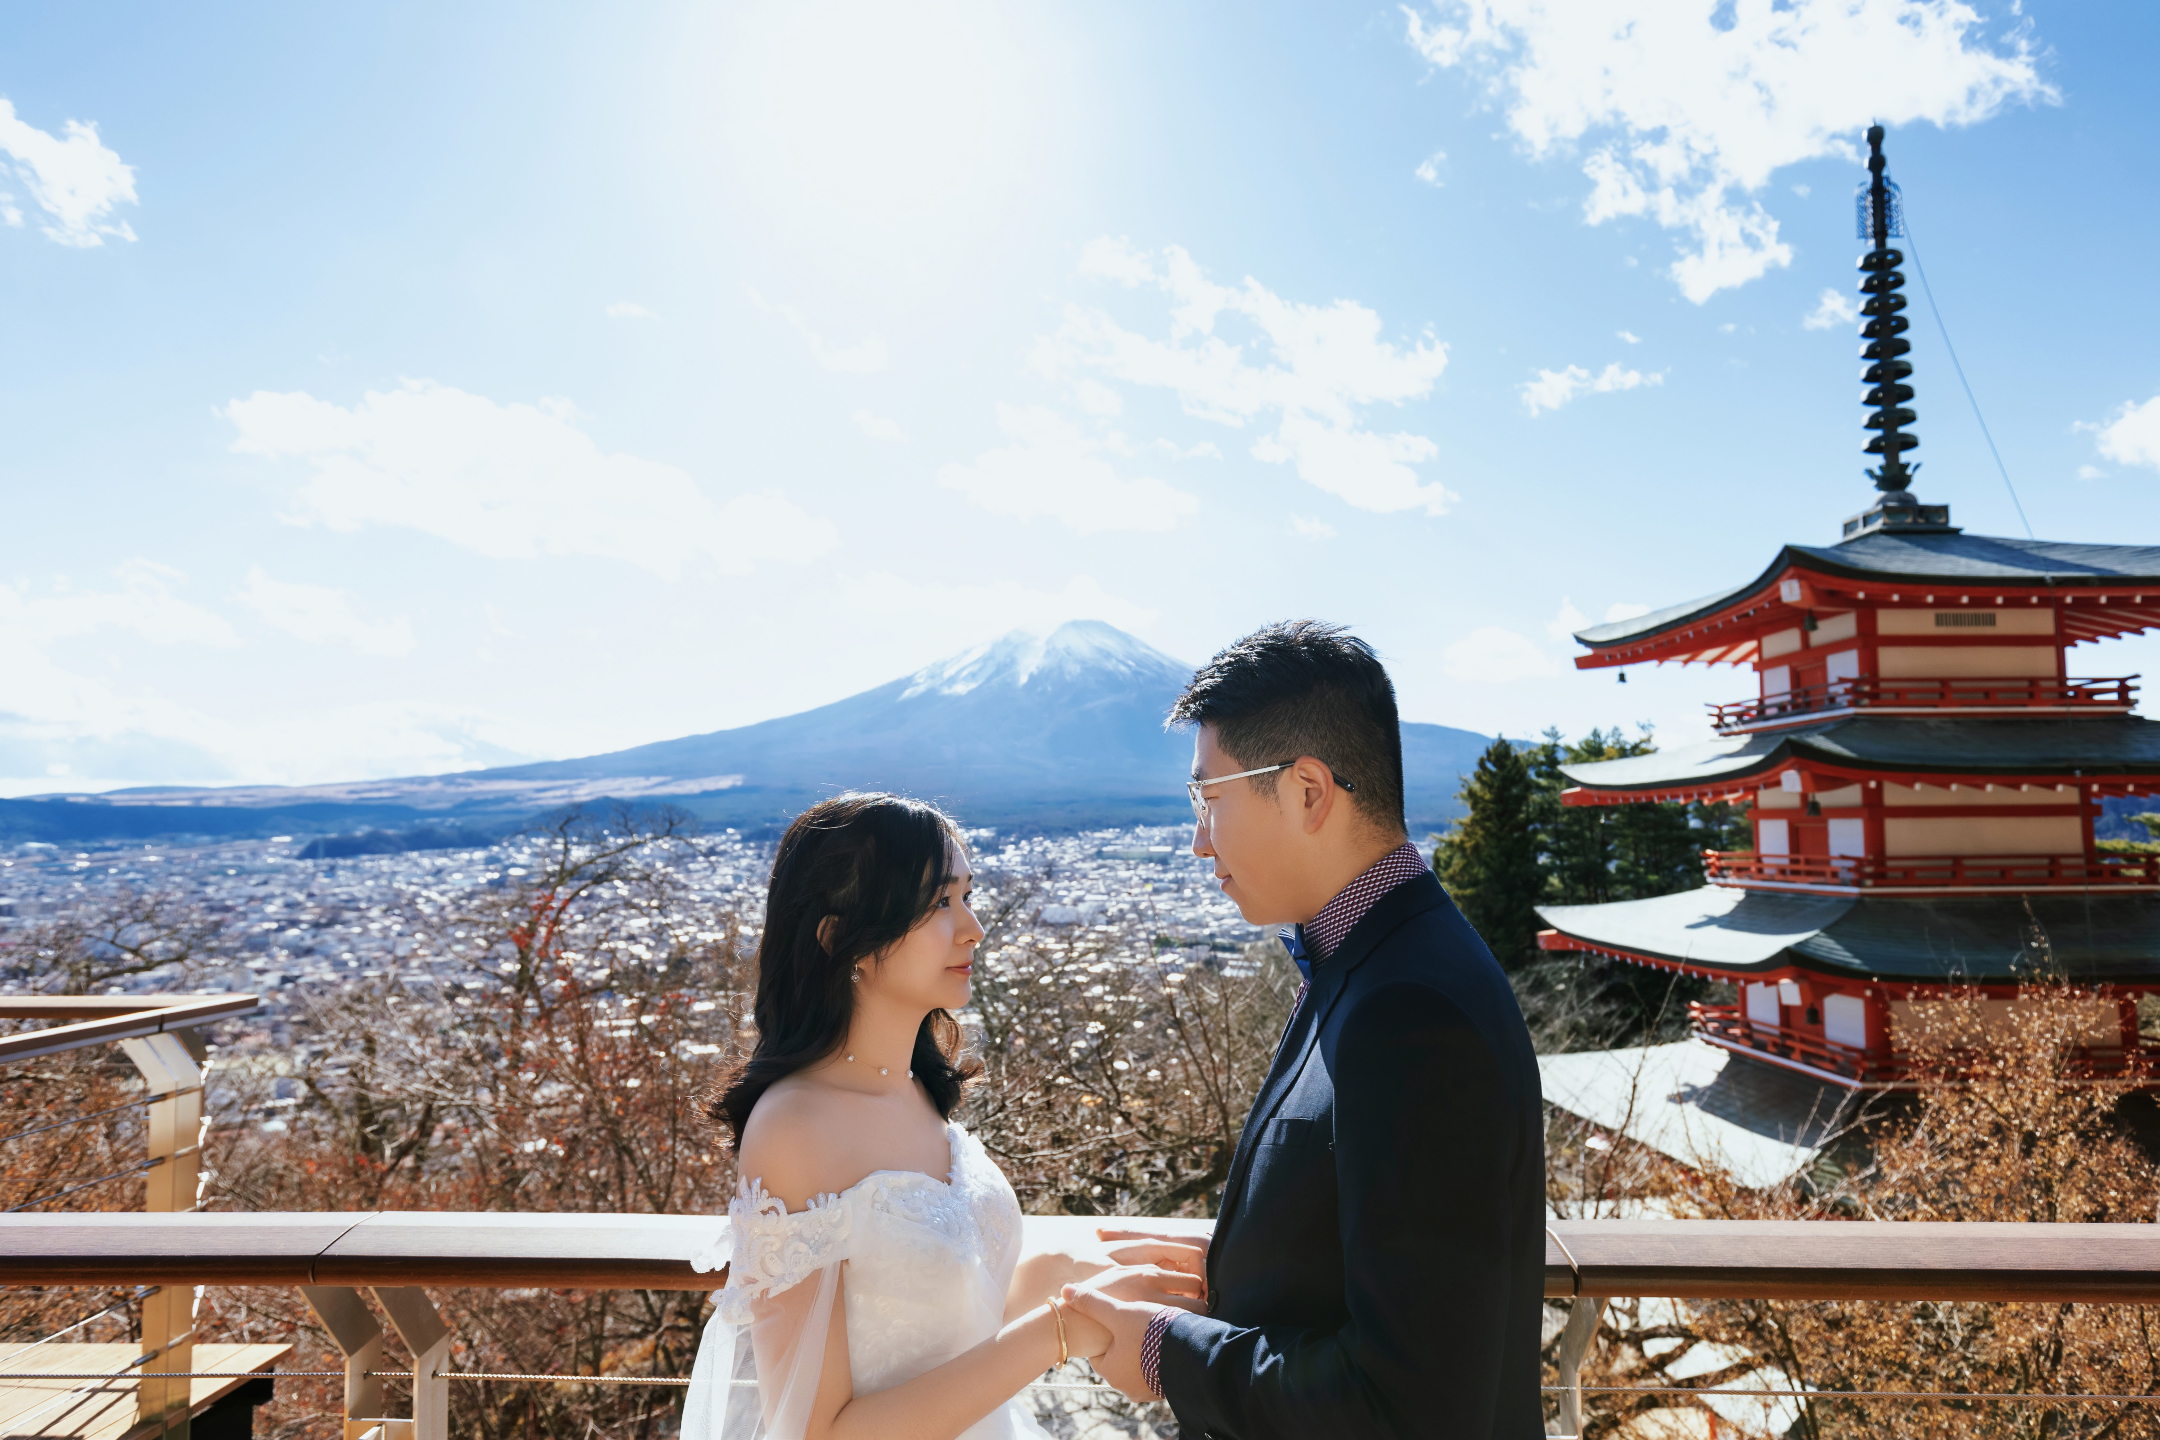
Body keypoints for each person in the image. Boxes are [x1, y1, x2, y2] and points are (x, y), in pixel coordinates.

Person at [1062, 620, 1547, 1439]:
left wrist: (1165, 1354)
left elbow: (1409, 1401)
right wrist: (1233, 1268)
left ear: (1310, 791)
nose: (1197, 843)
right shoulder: (1379, 961)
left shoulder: (1412, 1013)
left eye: (1210, 800)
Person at [681, 792, 1208, 1440]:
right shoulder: (794, 1130)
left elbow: (956, 1318)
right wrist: (1059, 1333)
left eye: (967, 895)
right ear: (840, 937)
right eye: (940, 902)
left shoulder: (917, 1091)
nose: (973, 926)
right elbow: (816, 1432)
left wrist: (1074, 1274)